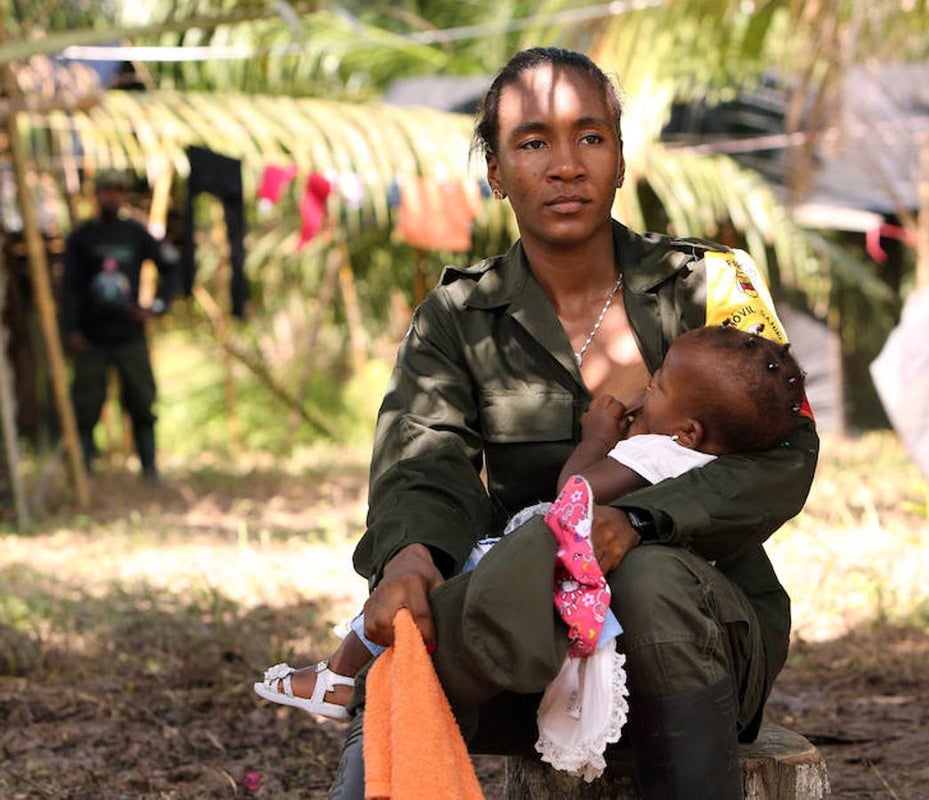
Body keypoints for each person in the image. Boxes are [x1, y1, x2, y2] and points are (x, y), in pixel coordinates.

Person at [328, 47, 819, 800]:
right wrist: (409, 562)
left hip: (701, 630)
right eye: (532, 143)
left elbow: (787, 456)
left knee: (647, 577)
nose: (566, 165)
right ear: (495, 172)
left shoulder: (712, 287)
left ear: (620, 159)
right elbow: (421, 462)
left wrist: (643, 523)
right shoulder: (456, 319)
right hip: (529, 638)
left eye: (590, 138)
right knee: (410, 631)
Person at [255, 327, 808, 721]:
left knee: (427, 607)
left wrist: (597, 438)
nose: (645, 390)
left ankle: (343, 678)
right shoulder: (703, 457)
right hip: (640, 627)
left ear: (687, 430)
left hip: (542, 555)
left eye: (657, 385)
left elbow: (577, 493)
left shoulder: (655, 454)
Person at [58, 169, 178, 481]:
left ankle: (149, 469)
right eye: (107, 191)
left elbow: (172, 269)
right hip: (91, 337)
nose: (113, 196)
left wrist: (156, 306)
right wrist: (71, 330)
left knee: (141, 401)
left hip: (129, 335)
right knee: (85, 405)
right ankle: (84, 468)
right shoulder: (81, 238)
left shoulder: (136, 234)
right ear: (96, 195)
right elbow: (68, 289)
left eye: (118, 191)